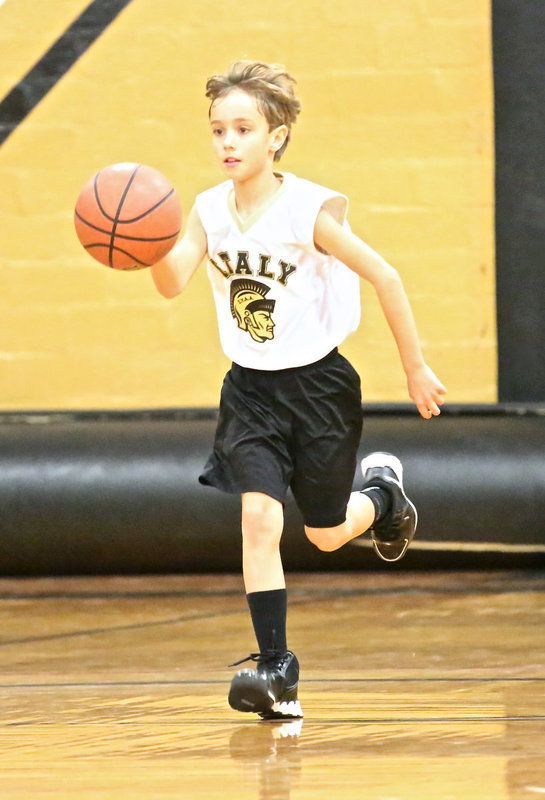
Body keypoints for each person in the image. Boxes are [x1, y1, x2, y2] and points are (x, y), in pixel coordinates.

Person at [150, 60, 447, 721]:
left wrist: (415, 368)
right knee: (258, 517)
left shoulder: (305, 210)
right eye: (218, 130)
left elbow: (386, 277)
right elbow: (171, 283)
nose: (228, 142)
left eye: (243, 129)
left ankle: (382, 496)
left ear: (276, 136)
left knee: (326, 534)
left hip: (318, 389)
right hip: (249, 392)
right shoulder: (207, 210)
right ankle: (276, 668)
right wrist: (142, 244)